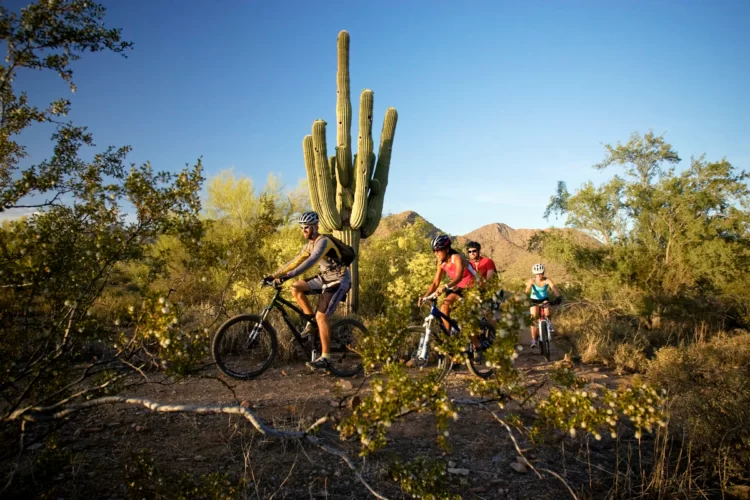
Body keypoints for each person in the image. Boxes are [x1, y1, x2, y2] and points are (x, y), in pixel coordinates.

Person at [264, 211, 350, 370]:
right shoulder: (310, 245)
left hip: (339, 280)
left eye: (306, 227)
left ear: (315, 226)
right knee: (296, 287)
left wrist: (287, 276)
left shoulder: (323, 242)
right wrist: (273, 276)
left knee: (322, 317)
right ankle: (312, 323)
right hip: (325, 277)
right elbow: (295, 261)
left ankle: (325, 358)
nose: (303, 230)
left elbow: (310, 262)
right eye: (301, 227)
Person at [418, 235, 476, 331]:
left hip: (473, 287)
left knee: (465, 319)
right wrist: (425, 296)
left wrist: (445, 286)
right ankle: (449, 339)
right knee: (444, 307)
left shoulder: (457, 258)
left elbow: (458, 277)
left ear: (447, 249)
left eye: (439, 250)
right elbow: (435, 283)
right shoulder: (441, 263)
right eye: (434, 250)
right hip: (459, 289)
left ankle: (476, 345)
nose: (436, 253)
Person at [524, 263, 561, 349]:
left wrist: (558, 296)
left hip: (544, 299)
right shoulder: (532, 281)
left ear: (543, 273)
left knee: (547, 311)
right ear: (534, 274)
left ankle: (549, 323)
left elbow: (553, 287)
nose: (539, 275)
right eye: (537, 273)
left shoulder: (547, 280)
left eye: (540, 273)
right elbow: (526, 290)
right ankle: (534, 339)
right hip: (534, 300)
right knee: (533, 318)